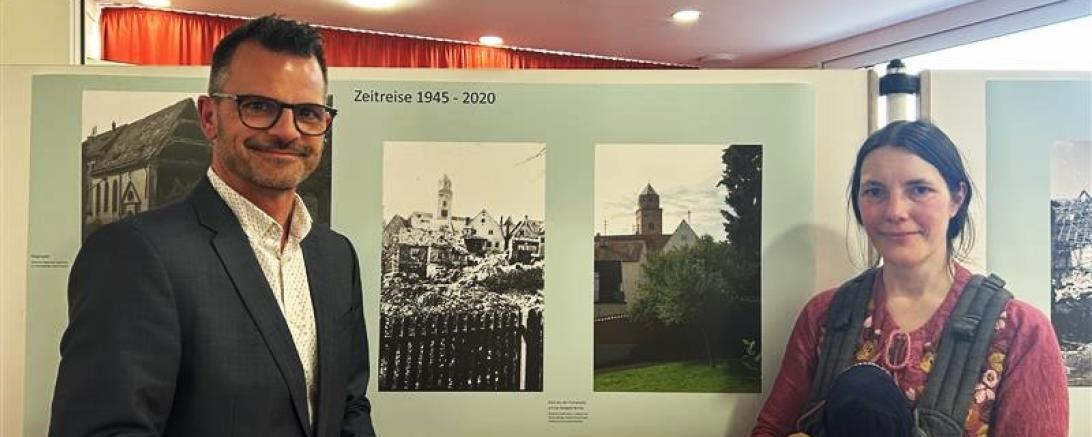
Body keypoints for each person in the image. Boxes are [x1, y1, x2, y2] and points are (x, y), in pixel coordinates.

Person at [50, 15, 377, 436]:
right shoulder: (135, 255)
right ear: (209, 117)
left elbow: (349, 405)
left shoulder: (335, 255)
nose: (286, 130)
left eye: (308, 113)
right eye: (258, 106)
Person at [752, 120, 1067, 436]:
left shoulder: (1020, 331)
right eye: (875, 191)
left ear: (956, 198)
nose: (895, 211)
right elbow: (771, 430)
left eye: (919, 189)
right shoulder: (824, 316)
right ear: (859, 205)